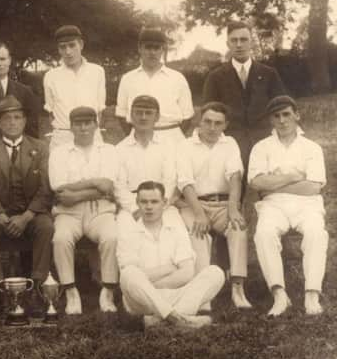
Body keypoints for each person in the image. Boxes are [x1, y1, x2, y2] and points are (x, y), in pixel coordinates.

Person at [0, 96, 53, 316]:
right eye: (6, 118)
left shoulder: (40, 148)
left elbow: (46, 188)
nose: (12, 122)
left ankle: (36, 287)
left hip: (30, 213)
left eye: (17, 117)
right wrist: (0, 216)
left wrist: (26, 216)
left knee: (46, 226)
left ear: (25, 121)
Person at [249, 95, 327, 316]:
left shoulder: (312, 147)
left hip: (307, 204)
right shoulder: (261, 147)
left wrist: (273, 183)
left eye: (286, 115)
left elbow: (313, 188)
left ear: (297, 116)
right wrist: (294, 176)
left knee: (316, 233)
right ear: (271, 120)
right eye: (277, 116)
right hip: (273, 205)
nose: (282, 121)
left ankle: (312, 295)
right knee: (264, 233)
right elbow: (256, 183)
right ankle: (279, 295)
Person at [118, 181, 225, 329]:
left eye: (154, 202)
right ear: (137, 203)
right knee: (129, 274)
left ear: (164, 202)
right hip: (142, 301)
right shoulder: (129, 233)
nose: (149, 207)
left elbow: (187, 273)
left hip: (174, 294)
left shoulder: (176, 230)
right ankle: (179, 320)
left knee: (215, 273)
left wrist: (148, 284)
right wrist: (170, 269)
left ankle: (161, 320)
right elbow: (133, 277)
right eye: (144, 202)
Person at [176, 102, 251, 309]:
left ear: (225, 125)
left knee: (238, 228)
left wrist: (233, 209)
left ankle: (237, 288)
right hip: (194, 204)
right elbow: (185, 182)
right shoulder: (185, 146)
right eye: (207, 122)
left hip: (224, 204)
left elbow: (235, 176)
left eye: (218, 123)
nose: (211, 127)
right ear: (199, 122)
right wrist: (199, 214)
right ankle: (203, 295)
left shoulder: (230, 144)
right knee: (197, 233)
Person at [49, 106, 119, 314]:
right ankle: (71, 292)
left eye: (88, 123)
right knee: (61, 238)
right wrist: (95, 184)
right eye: (78, 124)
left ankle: (107, 292)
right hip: (68, 212)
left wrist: (77, 191)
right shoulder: (59, 152)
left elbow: (108, 185)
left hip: (100, 211)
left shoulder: (109, 150)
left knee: (112, 237)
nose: (83, 128)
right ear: (71, 127)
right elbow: (59, 187)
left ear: (96, 125)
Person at [203, 21, 286, 168]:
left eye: (243, 39)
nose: (239, 44)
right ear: (228, 44)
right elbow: (208, 114)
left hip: (264, 140)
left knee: (267, 185)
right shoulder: (215, 77)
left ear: (252, 42)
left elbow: (281, 108)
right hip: (229, 143)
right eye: (234, 40)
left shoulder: (269, 74)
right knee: (233, 187)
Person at [116, 28, 194, 143]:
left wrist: (173, 136)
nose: (152, 52)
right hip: (139, 137)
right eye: (148, 47)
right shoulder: (128, 78)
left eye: (156, 48)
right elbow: (121, 115)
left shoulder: (177, 78)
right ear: (140, 48)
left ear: (162, 50)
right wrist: (137, 135)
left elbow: (188, 116)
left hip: (171, 137)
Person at [114, 95, 180, 222]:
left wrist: (158, 205)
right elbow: (119, 186)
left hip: (163, 205)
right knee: (124, 235)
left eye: (148, 113)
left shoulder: (169, 146)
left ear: (157, 117)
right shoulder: (119, 149)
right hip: (131, 207)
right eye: (138, 113)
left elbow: (170, 180)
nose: (143, 117)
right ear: (131, 116)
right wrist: (135, 208)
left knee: (177, 233)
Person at [43, 25, 106, 149]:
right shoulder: (51, 76)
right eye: (63, 47)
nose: (68, 52)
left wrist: (90, 129)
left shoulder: (97, 71)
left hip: (92, 135)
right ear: (58, 49)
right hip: (63, 138)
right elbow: (50, 112)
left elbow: (100, 110)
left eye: (72, 45)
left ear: (81, 45)